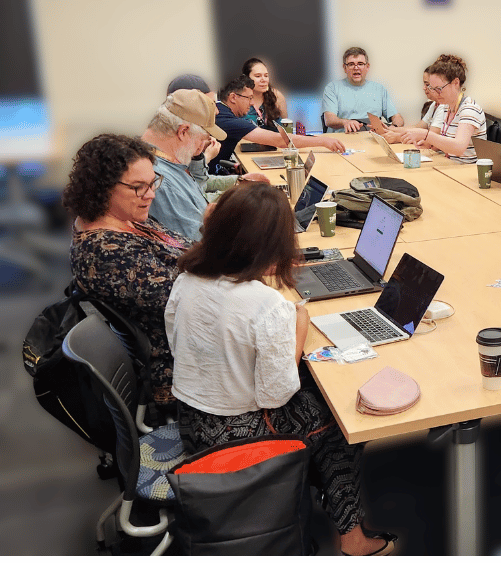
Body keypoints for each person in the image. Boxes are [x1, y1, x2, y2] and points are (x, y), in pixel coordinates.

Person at [166, 183, 395, 556]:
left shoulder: (188, 279)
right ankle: (352, 537)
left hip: (191, 417)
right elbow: (277, 394)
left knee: (313, 388)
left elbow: (179, 345)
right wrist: (299, 326)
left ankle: (312, 484)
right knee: (340, 419)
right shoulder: (263, 303)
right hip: (235, 434)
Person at [64, 134, 192, 411]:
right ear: (102, 188)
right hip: (184, 368)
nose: (151, 194)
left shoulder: (127, 218)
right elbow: (191, 298)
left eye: (152, 183)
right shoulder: (104, 253)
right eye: (138, 187)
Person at [142, 89, 266, 240]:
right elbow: (198, 246)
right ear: (183, 132)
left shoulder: (168, 161)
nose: (202, 147)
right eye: (203, 139)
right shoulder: (162, 182)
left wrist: (238, 183)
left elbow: (196, 191)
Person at [210, 75, 345, 175]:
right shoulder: (227, 120)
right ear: (233, 97)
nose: (252, 103)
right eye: (249, 98)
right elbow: (281, 140)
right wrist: (323, 140)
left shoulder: (219, 110)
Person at [400, 54, 486, 164]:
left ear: (456, 83)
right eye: (432, 88)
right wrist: (427, 143)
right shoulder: (446, 107)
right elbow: (446, 143)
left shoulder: (469, 109)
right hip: (451, 167)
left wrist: (426, 135)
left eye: (439, 89)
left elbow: (459, 148)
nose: (435, 93)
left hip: (467, 172)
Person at [322, 47, 403, 133]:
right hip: (343, 138)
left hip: (372, 138)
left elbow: (397, 117)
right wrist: (345, 122)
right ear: (344, 68)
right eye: (351, 64)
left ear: (367, 67)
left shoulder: (379, 89)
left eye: (360, 64)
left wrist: (394, 127)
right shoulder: (332, 88)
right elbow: (329, 119)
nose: (356, 68)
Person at [381, 67, 439, 143]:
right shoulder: (434, 105)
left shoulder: (443, 107)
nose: (424, 88)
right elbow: (416, 128)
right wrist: (388, 129)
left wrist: (397, 137)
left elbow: (431, 138)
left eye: (427, 84)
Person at [241, 57, 288, 130]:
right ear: (246, 78)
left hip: (276, 140)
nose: (263, 80)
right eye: (258, 76)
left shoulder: (276, 95)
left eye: (266, 76)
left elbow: (286, 125)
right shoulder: (238, 98)